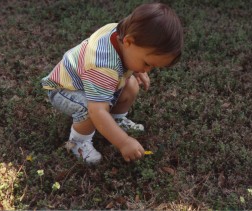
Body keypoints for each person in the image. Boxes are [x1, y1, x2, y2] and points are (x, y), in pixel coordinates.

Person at [41, 2, 183, 165]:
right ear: (129, 42)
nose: (148, 70)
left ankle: (116, 119)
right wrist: (124, 142)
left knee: (131, 85)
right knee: (90, 110)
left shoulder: (122, 33)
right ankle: (77, 143)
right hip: (65, 90)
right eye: (146, 63)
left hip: (90, 81)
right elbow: (98, 111)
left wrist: (137, 69)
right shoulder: (103, 66)